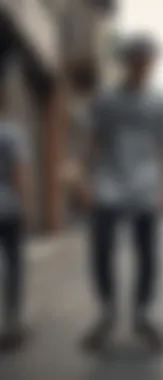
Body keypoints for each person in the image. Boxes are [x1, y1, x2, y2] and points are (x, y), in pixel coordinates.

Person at [80, 33, 163, 351]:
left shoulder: (162, 102)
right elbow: (93, 143)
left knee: (148, 252)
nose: (142, 66)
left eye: (146, 60)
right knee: (101, 247)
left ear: (152, 63)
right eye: (136, 60)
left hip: (147, 184)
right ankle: (107, 310)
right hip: (109, 182)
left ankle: (143, 313)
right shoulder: (105, 99)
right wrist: (86, 181)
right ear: (126, 62)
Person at [0, 78, 32, 351]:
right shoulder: (11, 133)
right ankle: (12, 323)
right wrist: (25, 206)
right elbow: (19, 174)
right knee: (13, 266)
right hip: (7, 209)